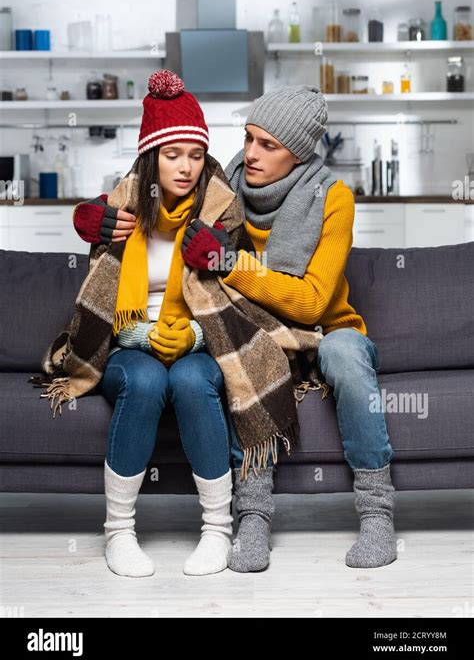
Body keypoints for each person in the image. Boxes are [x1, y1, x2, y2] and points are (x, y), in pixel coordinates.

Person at [73, 82, 397, 575]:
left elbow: (311, 302)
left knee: (346, 357)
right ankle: (253, 518)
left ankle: (376, 515)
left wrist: (229, 262)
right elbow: (148, 189)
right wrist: (88, 215)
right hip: (251, 325)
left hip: (323, 328)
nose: (250, 154)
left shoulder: (333, 198)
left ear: (300, 151)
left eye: (268, 145)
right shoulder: (228, 186)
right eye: (248, 138)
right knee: (241, 358)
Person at [71, 69, 235, 578]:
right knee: (143, 379)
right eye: (172, 154)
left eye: (195, 154)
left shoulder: (222, 211)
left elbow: (240, 290)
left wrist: (198, 334)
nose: (185, 167)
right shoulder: (124, 207)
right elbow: (89, 226)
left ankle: (218, 530)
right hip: (128, 337)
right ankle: (119, 532)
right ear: (151, 156)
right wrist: (86, 218)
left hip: (199, 340)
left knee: (188, 379)